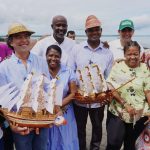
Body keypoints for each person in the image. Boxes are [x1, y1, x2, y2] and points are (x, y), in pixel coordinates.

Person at [0, 22, 50, 150]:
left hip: (41, 119)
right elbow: (3, 100)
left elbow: (48, 89)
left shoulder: (41, 62)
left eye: (26, 36)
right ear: (11, 42)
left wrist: (51, 114)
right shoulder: (4, 67)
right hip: (19, 122)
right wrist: (11, 124)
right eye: (19, 37)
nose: (24, 40)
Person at [68, 15, 114, 150]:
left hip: (98, 101)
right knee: (79, 129)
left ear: (101, 30)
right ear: (86, 32)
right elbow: (70, 72)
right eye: (91, 30)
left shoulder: (107, 52)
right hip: (79, 100)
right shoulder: (77, 49)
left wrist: (107, 95)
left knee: (98, 129)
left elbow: (109, 77)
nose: (94, 32)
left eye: (97, 29)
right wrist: (74, 91)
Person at [106, 41, 150, 150]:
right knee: (114, 142)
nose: (132, 57)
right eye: (129, 54)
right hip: (118, 110)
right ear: (124, 54)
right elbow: (111, 87)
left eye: (135, 54)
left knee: (130, 143)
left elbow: (148, 91)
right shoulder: (118, 66)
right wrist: (125, 104)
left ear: (139, 54)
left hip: (139, 114)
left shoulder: (145, 68)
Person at [46, 45, 79, 150]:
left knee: (66, 140)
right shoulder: (41, 70)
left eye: (57, 56)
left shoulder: (68, 71)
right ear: (46, 56)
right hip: (47, 112)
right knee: (48, 139)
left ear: (60, 57)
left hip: (65, 110)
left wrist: (58, 106)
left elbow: (73, 93)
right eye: (50, 55)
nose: (53, 58)